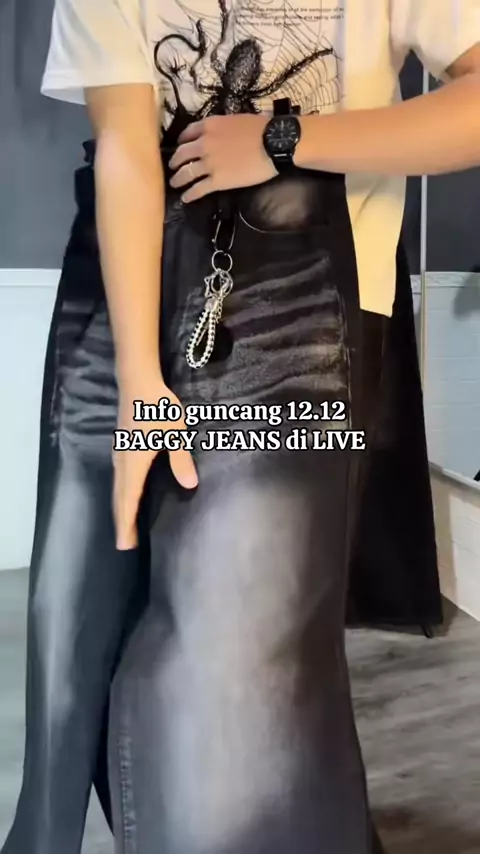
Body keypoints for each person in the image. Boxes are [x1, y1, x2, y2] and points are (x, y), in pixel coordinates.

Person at [2, 2, 480, 854]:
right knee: (78, 638)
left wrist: (285, 139)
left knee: (235, 670)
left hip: (308, 310)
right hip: (122, 293)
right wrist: (141, 380)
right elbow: (124, 146)